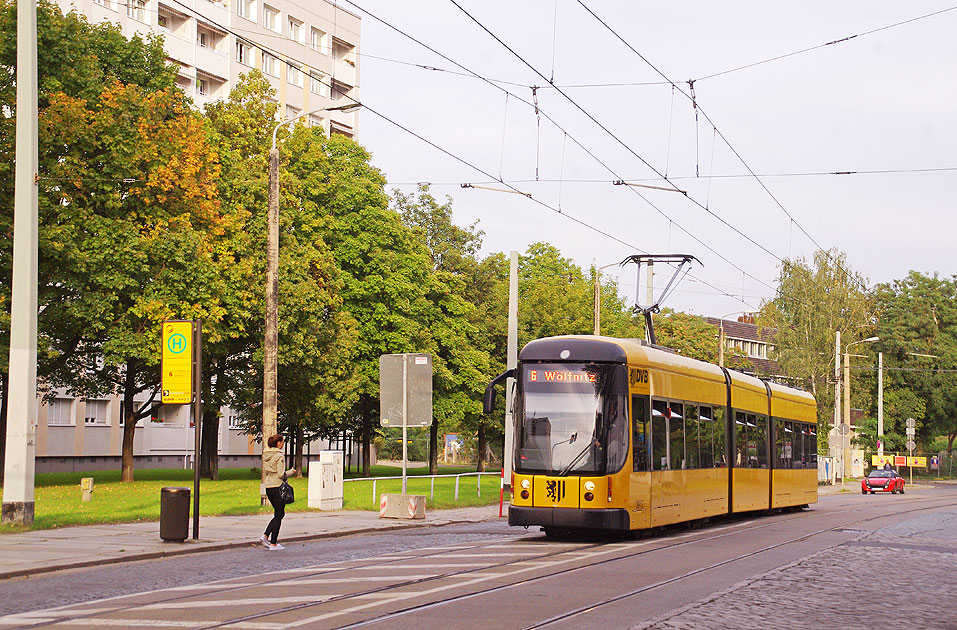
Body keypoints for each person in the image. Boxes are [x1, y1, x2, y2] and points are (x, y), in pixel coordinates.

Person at [261, 434, 296, 551]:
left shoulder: (266, 454)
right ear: (278, 443)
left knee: (278, 513)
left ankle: (266, 536)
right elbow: (281, 474)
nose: (283, 444)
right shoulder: (279, 456)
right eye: (282, 442)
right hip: (277, 486)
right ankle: (273, 543)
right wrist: (291, 472)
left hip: (269, 485)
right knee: (279, 514)